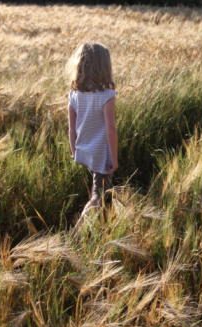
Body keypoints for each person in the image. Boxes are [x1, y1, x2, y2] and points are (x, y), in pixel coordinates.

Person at [66, 42, 118, 235]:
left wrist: (74, 152)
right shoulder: (107, 96)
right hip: (101, 154)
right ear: (104, 68)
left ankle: (108, 226)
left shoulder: (74, 95)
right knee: (98, 196)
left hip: (84, 152)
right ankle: (75, 232)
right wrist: (114, 158)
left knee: (104, 189)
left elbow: (72, 129)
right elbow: (111, 130)